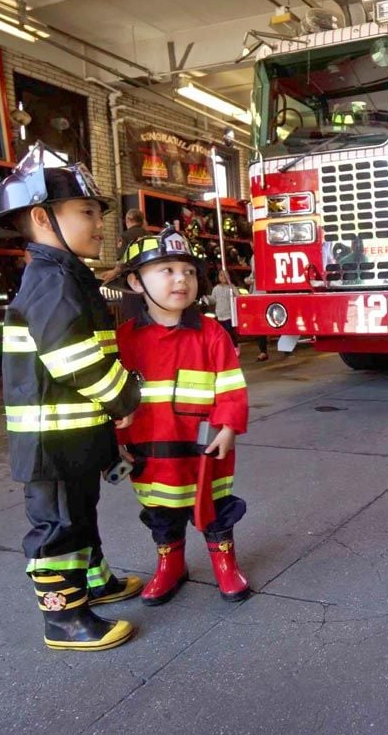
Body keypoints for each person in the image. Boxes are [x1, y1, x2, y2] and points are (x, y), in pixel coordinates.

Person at [0, 142, 145, 652]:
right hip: (50, 438)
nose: (99, 223)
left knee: (82, 511)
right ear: (44, 219)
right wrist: (124, 397)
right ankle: (62, 618)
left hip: (75, 432)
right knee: (58, 525)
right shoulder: (51, 281)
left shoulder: (68, 276)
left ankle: (94, 583)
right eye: (87, 212)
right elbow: (73, 360)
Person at [107, 229, 252, 604]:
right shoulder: (123, 339)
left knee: (215, 508)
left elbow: (231, 386)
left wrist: (229, 426)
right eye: (167, 270)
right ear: (136, 282)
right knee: (160, 511)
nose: (180, 279)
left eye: (187, 270)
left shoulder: (212, 334)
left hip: (205, 450)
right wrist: (114, 445)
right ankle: (170, 565)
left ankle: (225, 564)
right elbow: (112, 400)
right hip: (149, 452)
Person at [208, 270, 240, 355]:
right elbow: (213, 299)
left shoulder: (231, 287)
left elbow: (237, 296)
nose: (223, 277)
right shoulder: (216, 288)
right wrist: (207, 299)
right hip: (220, 314)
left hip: (229, 314)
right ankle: (224, 348)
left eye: (226, 275)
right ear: (218, 277)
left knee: (230, 332)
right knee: (222, 333)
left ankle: (235, 347)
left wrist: (231, 286)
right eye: (221, 275)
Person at [241, 267, 269, 361]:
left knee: (263, 325)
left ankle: (264, 351)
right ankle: (263, 351)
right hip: (255, 299)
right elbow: (249, 279)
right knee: (259, 326)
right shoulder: (253, 262)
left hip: (263, 298)